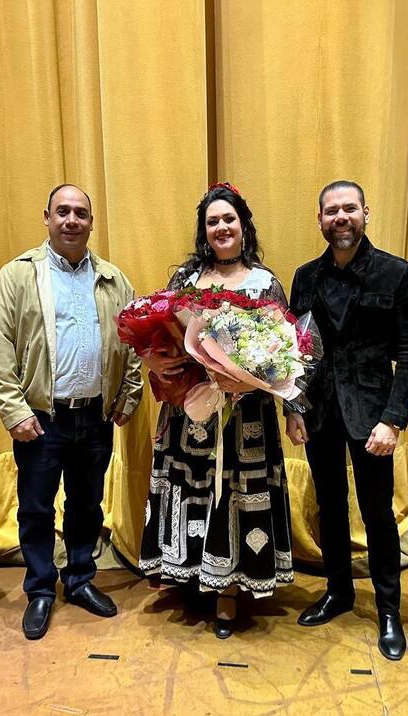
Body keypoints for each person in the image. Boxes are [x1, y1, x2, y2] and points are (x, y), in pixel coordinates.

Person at [0, 183, 142, 640]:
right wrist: (14, 411)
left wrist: (128, 396)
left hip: (95, 417)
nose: (72, 220)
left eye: (81, 213)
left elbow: (133, 342)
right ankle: (39, 590)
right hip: (41, 419)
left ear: (91, 222)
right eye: (63, 212)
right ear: (47, 217)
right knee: (35, 507)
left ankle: (80, 578)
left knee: (87, 505)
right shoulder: (18, 277)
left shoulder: (112, 279)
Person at [138, 182, 294, 639]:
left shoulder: (265, 283)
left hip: (246, 417)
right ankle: (191, 572)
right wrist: (153, 358)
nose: (221, 227)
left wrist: (248, 378)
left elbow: (286, 353)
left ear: (244, 225)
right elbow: (160, 336)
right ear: (203, 231)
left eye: (229, 219)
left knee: (233, 492)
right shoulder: (185, 281)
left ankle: (228, 588)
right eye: (213, 222)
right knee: (192, 490)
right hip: (188, 412)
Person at [286, 180, 408, 660]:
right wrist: (294, 408)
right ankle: (338, 592)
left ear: (366, 212)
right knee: (328, 506)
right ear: (320, 220)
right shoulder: (305, 277)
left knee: (378, 513)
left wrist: (393, 420)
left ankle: (388, 610)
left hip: (372, 416)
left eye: (349, 208)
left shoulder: (396, 273)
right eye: (331, 211)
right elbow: (293, 352)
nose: (340, 217)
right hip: (320, 412)